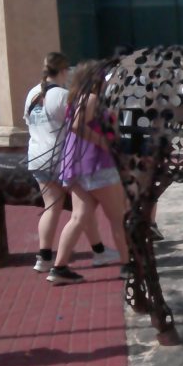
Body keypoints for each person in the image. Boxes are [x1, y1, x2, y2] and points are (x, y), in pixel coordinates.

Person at [24, 52, 119, 274]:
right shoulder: (63, 95)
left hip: (37, 156)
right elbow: (78, 122)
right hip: (60, 157)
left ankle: (45, 256)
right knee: (81, 208)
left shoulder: (32, 94)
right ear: (64, 71)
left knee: (53, 207)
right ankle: (97, 251)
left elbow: (29, 122)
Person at [47, 61, 131, 285]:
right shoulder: (92, 99)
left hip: (75, 166)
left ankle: (59, 267)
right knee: (118, 218)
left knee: (78, 217)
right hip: (96, 164)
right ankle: (127, 265)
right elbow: (77, 125)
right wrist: (103, 142)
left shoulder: (76, 99)